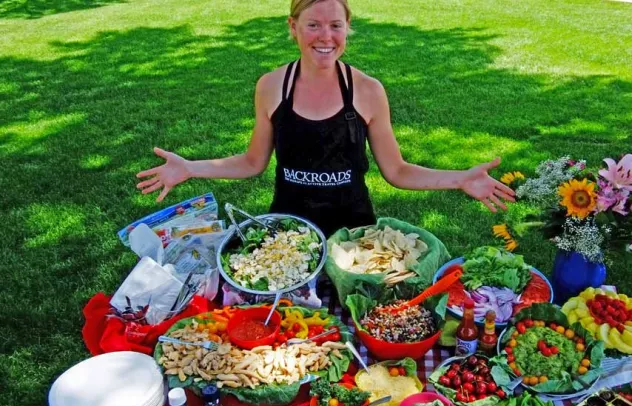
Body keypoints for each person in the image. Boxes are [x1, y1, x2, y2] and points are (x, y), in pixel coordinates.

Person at [136, 0, 515, 235]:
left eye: (336, 25)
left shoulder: (367, 91)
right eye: (313, 24)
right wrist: (189, 168)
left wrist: (460, 180)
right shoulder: (271, 87)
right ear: (293, 28)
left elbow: (397, 172)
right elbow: (253, 162)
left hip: (354, 238)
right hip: (288, 233)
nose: (325, 36)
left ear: (347, 27)